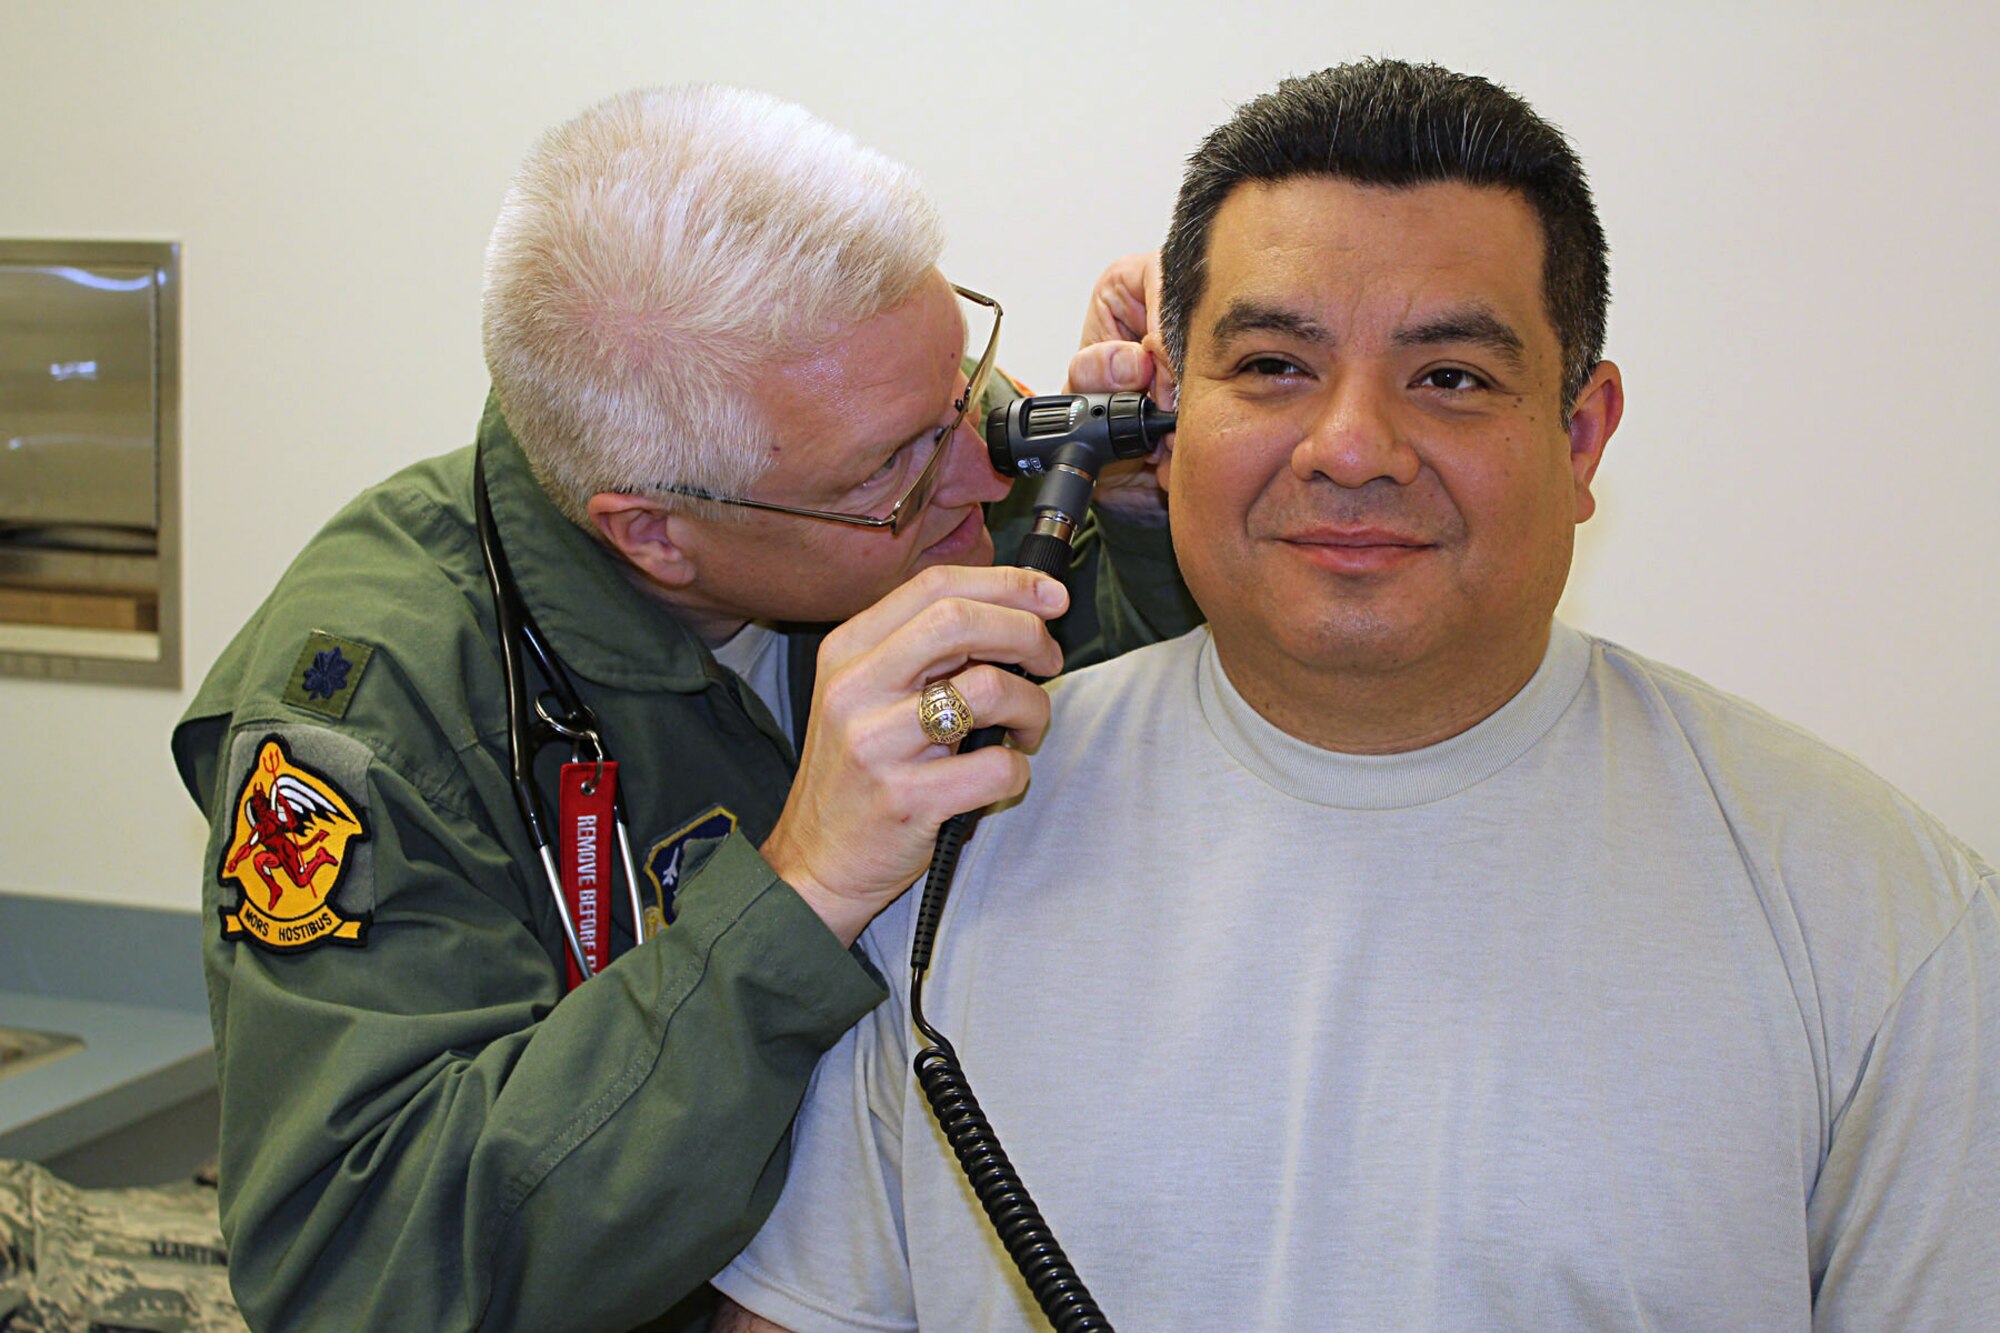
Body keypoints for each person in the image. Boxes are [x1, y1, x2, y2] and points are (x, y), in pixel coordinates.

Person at [711, 59, 2000, 1331]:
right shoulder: (941, 849)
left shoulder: (1874, 913)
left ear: (1579, 437)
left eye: (1448, 378)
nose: (1349, 450)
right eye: (1272, 365)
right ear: (1169, 418)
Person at [170, 85, 1196, 1332]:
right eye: (895, 465)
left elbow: (1125, 797)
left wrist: (1149, 537)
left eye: (964, 374)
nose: (983, 461)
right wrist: (798, 891)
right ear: (654, 532)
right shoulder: (381, 704)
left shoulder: (884, 451)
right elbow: (364, 1272)